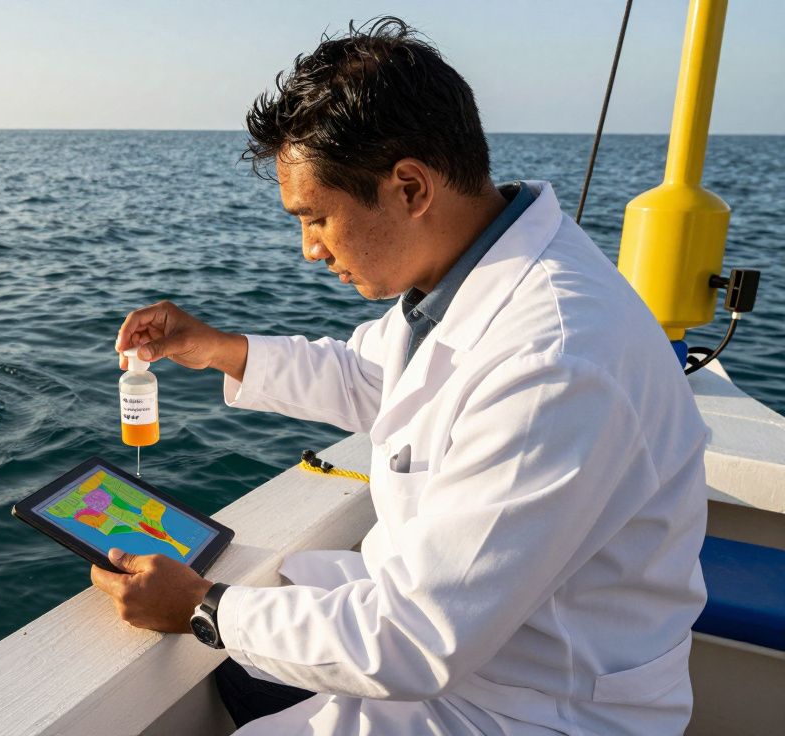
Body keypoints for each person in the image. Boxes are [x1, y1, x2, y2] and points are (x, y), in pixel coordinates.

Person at [90, 17, 708, 736]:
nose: (309, 251)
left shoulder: (557, 360)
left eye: (316, 218)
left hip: (534, 709)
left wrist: (203, 608)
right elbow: (370, 376)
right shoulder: (462, 274)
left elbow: (417, 639)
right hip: (481, 657)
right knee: (255, 647)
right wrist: (218, 347)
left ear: (410, 187)